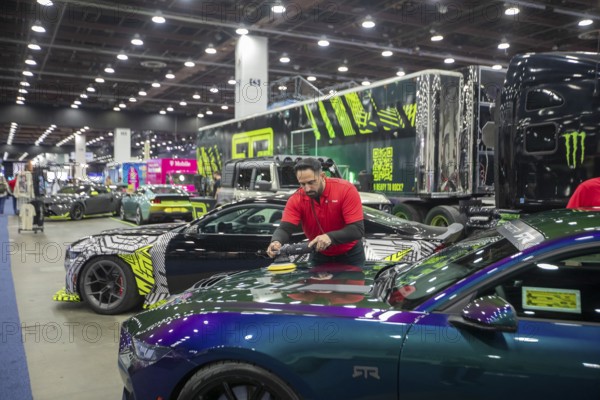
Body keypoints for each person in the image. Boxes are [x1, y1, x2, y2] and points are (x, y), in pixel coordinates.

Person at [266, 157, 365, 266]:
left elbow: (357, 229)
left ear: (322, 176)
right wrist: (276, 242)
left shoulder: (345, 190)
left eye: (311, 182)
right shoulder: (296, 199)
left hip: (351, 255)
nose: (307, 189)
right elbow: (285, 229)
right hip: (319, 254)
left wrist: (329, 237)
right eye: (302, 184)